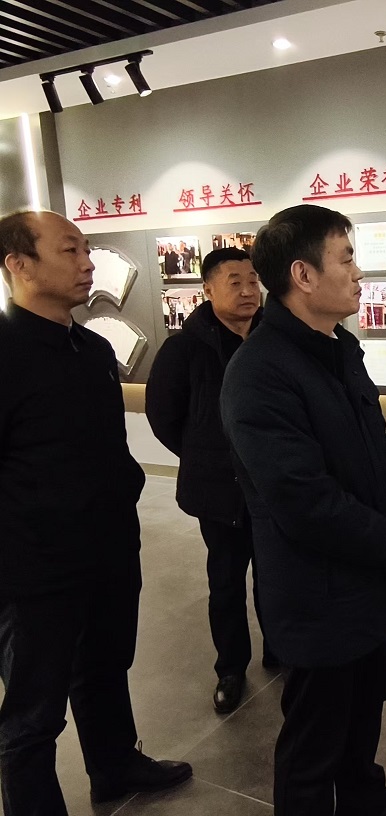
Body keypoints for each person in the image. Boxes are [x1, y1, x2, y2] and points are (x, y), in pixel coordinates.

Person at [220, 204, 386, 816]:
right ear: (303, 275)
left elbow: (380, 445)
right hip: (316, 591)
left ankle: (364, 798)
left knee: (364, 707)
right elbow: (303, 500)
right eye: (347, 258)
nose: (359, 273)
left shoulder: (339, 348)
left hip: (364, 576)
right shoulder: (259, 372)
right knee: (314, 738)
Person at [0, 210, 193, 814]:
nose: (88, 264)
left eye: (88, 250)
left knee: (106, 666)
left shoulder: (91, 348)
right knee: (33, 710)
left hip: (108, 545)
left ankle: (114, 766)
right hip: (34, 567)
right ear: (18, 264)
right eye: (70, 251)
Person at [145, 247, 276, 715]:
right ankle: (230, 667)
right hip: (219, 491)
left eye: (253, 280)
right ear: (208, 289)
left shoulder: (275, 338)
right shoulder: (185, 348)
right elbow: (163, 416)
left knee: (275, 574)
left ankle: (279, 649)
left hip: (274, 486)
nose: (247, 290)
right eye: (234, 282)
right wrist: (204, 456)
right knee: (225, 581)